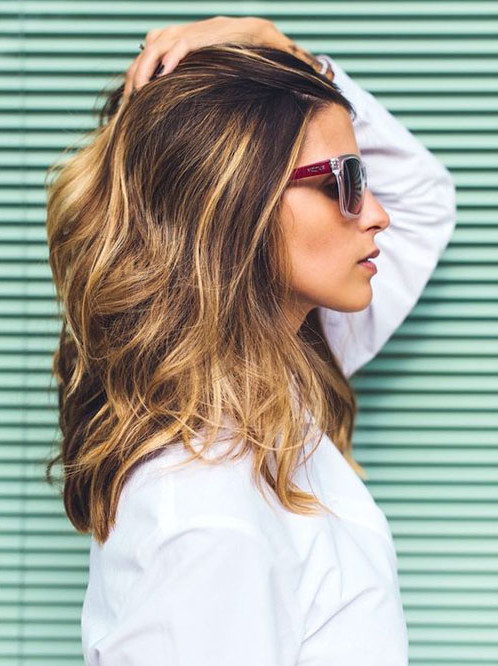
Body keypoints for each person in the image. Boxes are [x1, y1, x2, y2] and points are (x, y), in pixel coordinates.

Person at [44, 16, 457, 666]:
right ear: (240, 202)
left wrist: (282, 50)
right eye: (344, 181)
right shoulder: (206, 518)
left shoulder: (277, 371)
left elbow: (425, 199)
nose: (378, 213)